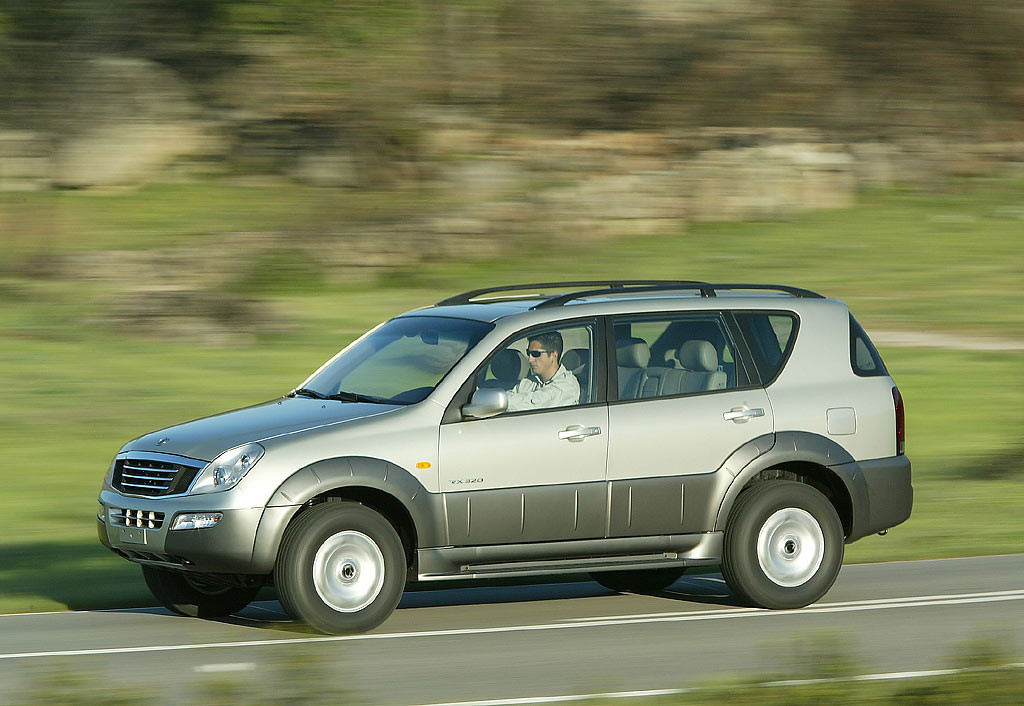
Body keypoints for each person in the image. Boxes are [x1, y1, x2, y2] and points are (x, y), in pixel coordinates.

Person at [505, 331, 580, 412]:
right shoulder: (529, 382)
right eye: (528, 353)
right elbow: (505, 399)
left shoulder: (566, 385)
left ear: (554, 355)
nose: (530, 359)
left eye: (535, 354)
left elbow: (532, 404)